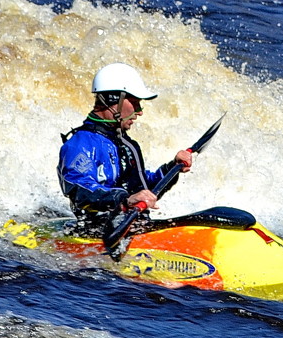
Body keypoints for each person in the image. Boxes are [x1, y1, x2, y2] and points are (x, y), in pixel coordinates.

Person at [57, 63, 194, 236]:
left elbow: (144, 188)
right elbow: (80, 191)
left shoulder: (127, 144)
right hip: (97, 233)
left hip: (134, 227)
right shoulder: (80, 144)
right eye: (135, 103)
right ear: (114, 100)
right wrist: (125, 200)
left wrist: (172, 169)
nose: (139, 112)